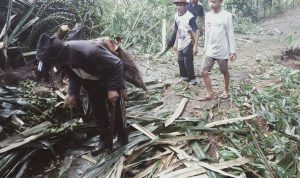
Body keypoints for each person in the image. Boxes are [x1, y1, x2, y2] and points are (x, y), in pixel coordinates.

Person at [36, 33, 128, 156]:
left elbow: (116, 64)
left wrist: (112, 89)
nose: (54, 66)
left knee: (117, 110)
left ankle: (122, 138)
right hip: (91, 82)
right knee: (98, 111)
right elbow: (73, 75)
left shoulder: (90, 52)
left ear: (58, 57)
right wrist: (72, 93)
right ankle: (105, 140)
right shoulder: (62, 60)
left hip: (109, 78)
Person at [200, 0, 236, 101]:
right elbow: (207, 33)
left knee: (224, 71)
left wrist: (232, 51)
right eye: (210, 1)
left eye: (214, 1)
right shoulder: (208, 15)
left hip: (222, 50)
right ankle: (210, 92)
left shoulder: (227, 15)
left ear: (221, 2)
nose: (211, 4)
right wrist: (205, 48)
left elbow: (230, 33)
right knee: (204, 71)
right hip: (210, 50)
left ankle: (226, 90)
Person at [173, 0, 200, 85]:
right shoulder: (176, 15)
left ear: (185, 6)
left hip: (189, 39)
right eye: (178, 5)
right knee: (180, 59)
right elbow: (177, 29)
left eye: (181, 5)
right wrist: (175, 43)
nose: (179, 7)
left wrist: (195, 45)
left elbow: (197, 31)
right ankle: (183, 76)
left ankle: (192, 79)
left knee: (187, 59)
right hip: (181, 39)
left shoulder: (190, 16)